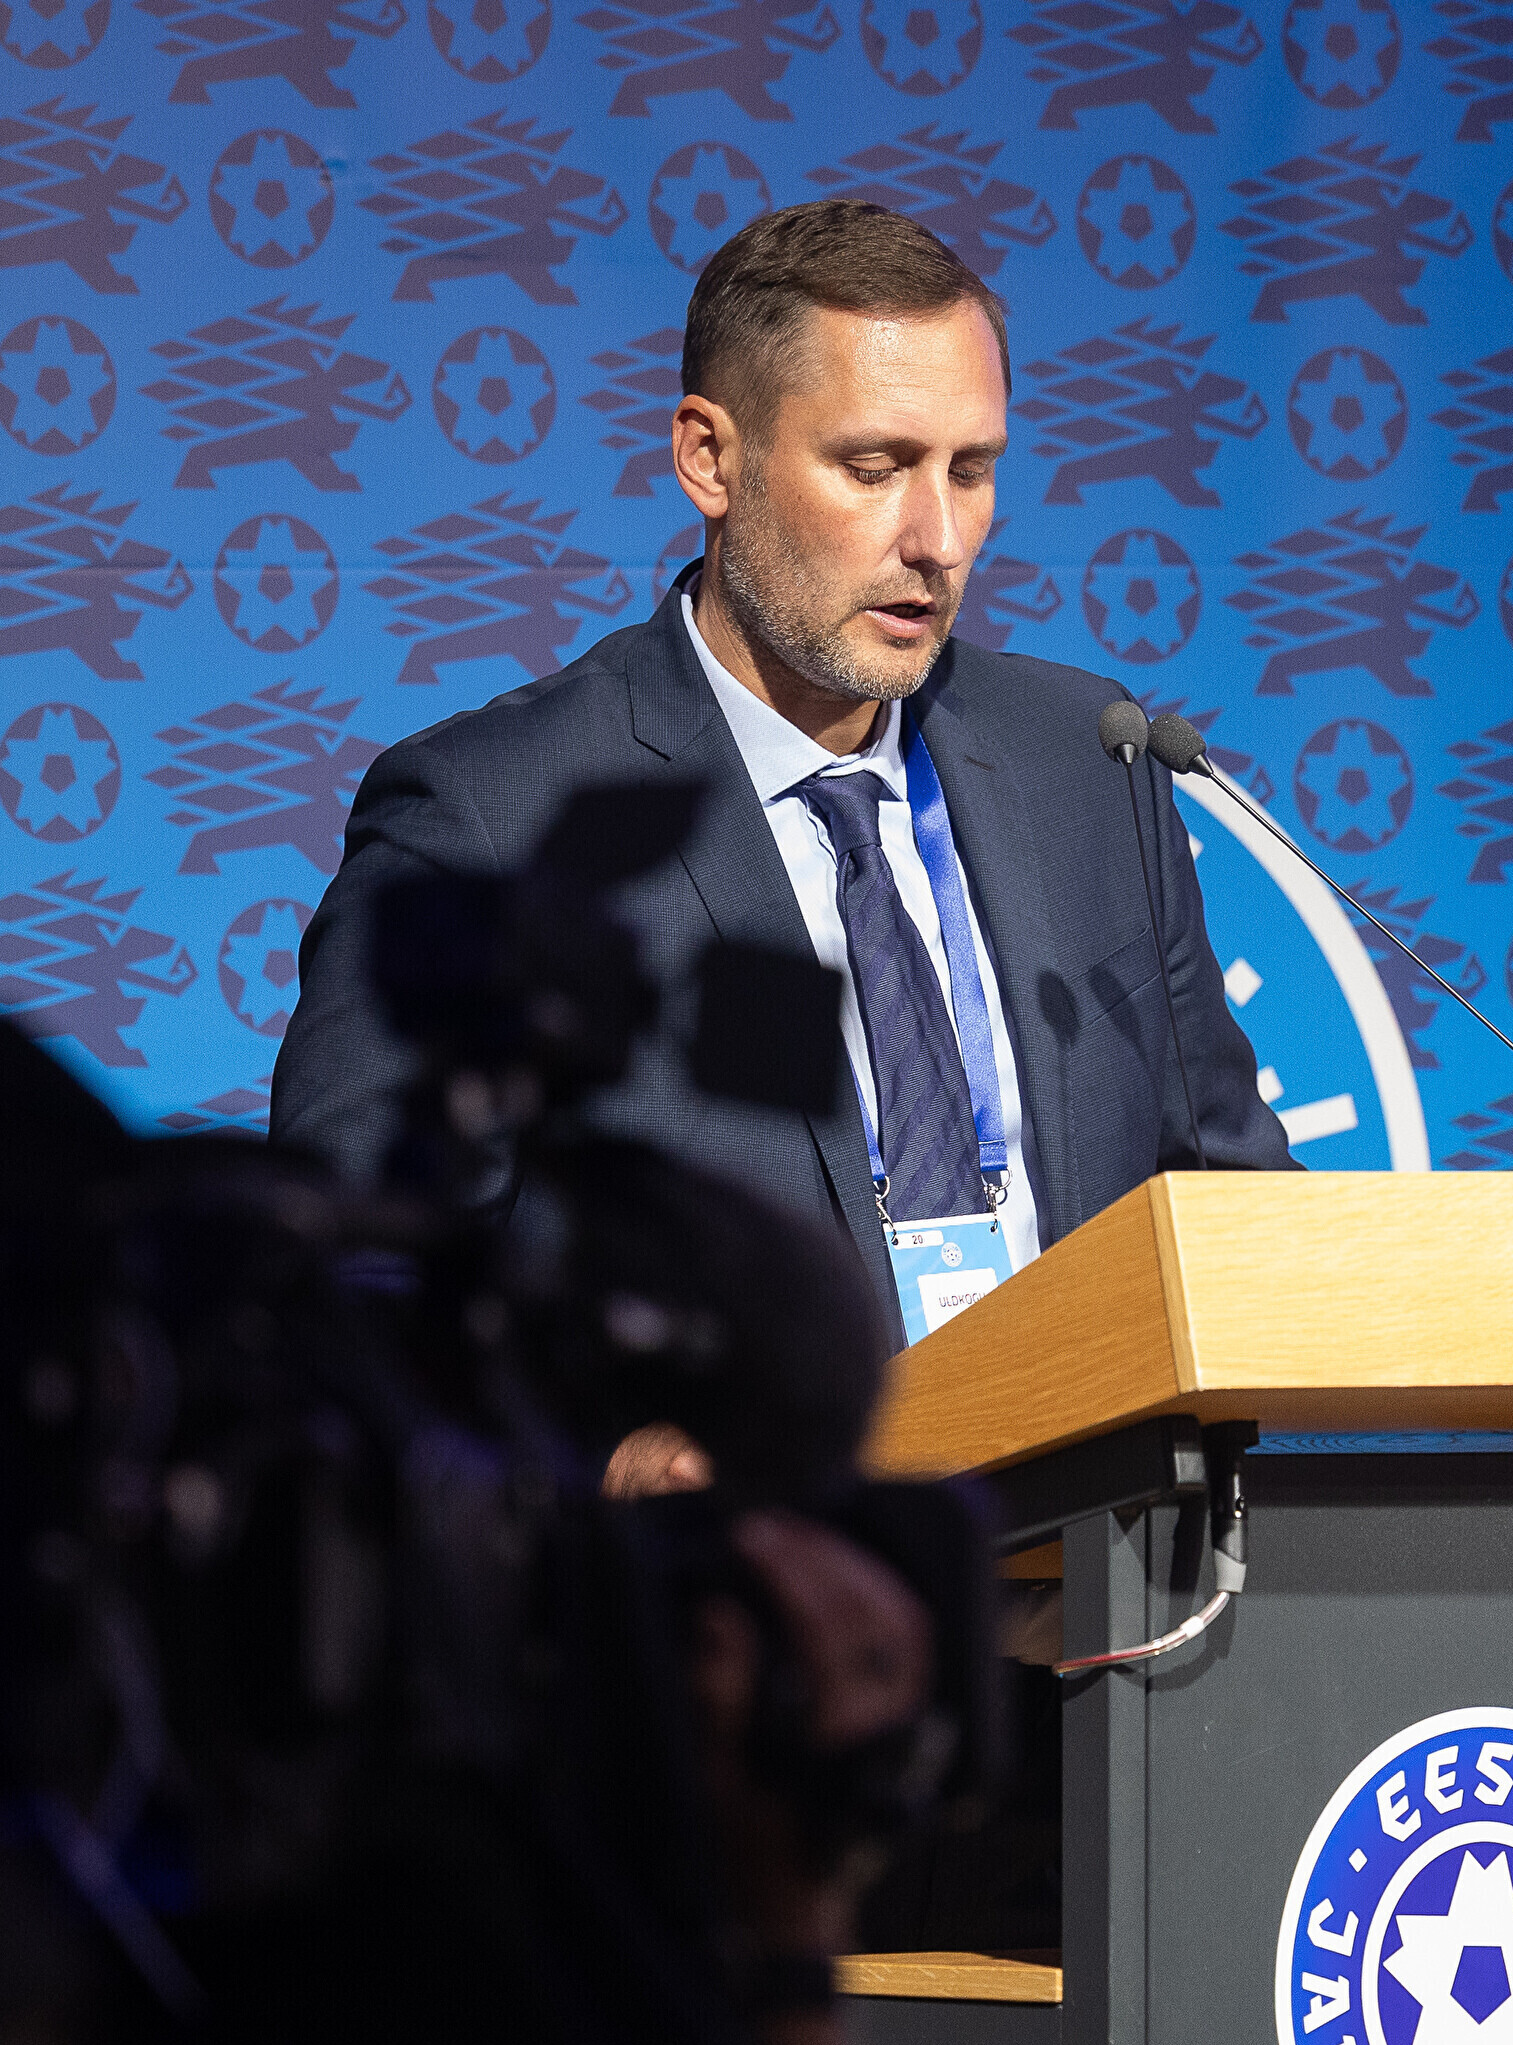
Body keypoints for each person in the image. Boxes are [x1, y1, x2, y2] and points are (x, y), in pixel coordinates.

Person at [273, 199, 1293, 1357]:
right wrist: (600, 1442)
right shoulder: (491, 821)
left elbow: (1235, 1211)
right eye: (873, 467)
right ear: (708, 458)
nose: (936, 538)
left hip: (1090, 1469)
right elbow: (351, 1290)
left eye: (969, 471)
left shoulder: (1087, 762)